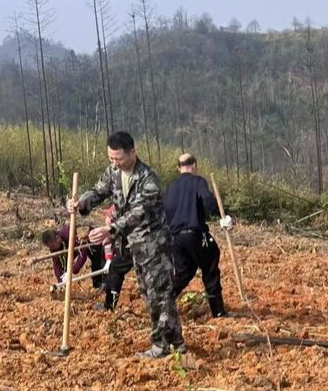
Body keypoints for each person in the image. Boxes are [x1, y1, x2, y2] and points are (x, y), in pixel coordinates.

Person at [68, 131, 185, 359]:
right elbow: (99, 190)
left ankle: (162, 345)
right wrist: (81, 203)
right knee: (152, 293)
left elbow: (138, 212)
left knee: (159, 293)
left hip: (154, 244)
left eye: (119, 158)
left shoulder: (148, 179)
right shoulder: (114, 172)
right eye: (111, 158)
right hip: (134, 244)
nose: (115, 163)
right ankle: (175, 342)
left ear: (133, 152)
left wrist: (111, 229)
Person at [164, 153, 234, 318]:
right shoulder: (198, 181)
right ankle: (218, 311)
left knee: (184, 271)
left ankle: (164, 301)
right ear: (194, 165)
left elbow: (164, 211)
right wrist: (222, 216)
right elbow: (209, 201)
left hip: (175, 237)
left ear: (178, 167)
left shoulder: (170, 186)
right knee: (210, 263)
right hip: (195, 234)